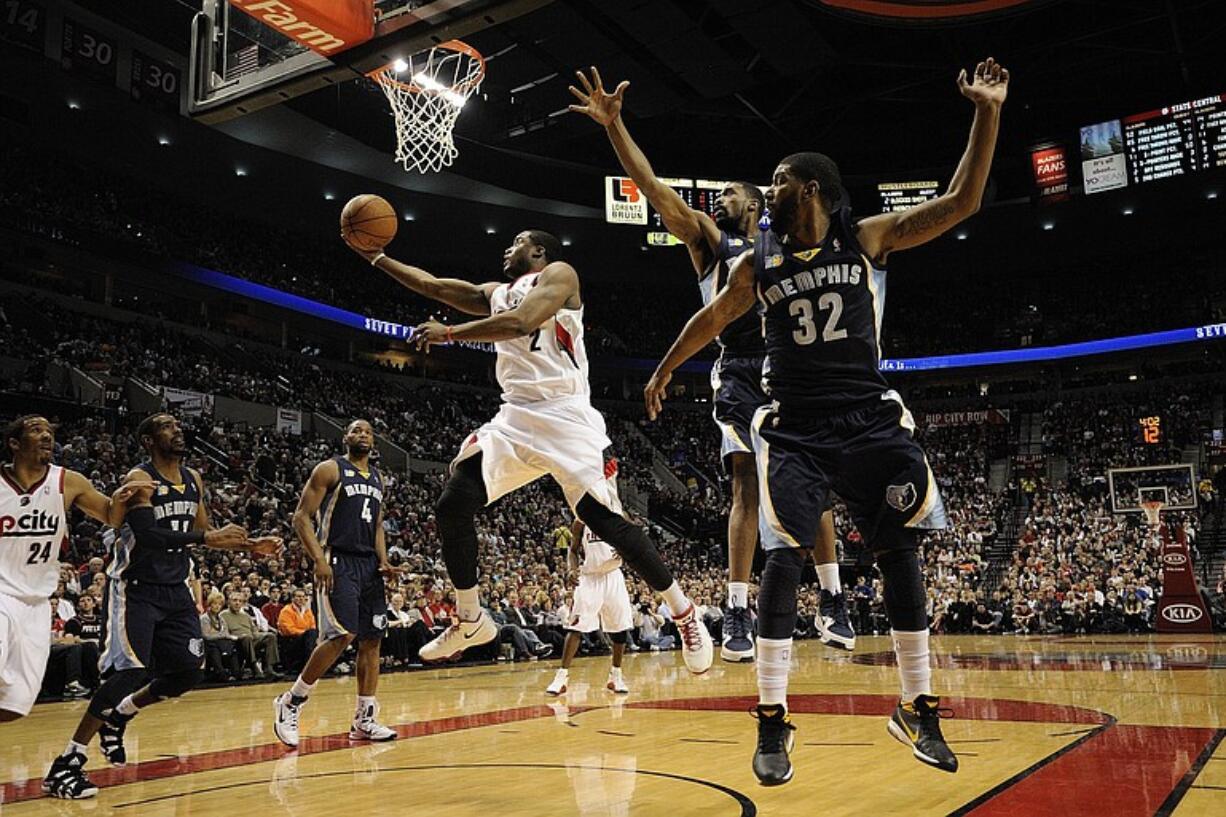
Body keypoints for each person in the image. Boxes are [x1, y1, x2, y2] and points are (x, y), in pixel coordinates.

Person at [642, 58, 1009, 782]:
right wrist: (662, 367)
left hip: (868, 416)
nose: (768, 188)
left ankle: (917, 707)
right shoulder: (758, 263)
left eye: (777, 179)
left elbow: (962, 200)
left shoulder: (867, 237)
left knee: (900, 552)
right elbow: (711, 317)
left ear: (809, 188)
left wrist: (987, 111)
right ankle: (773, 723)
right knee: (783, 555)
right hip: (796, 426)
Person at [570, 68, 853, 660]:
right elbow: (652, 188)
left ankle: (831, 597)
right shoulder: (707, 241)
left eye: (726, 194)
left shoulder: (785, 241)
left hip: (791, 364)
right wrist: (615, 126)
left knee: (815, 484)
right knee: (744, 484)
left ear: (755, 202)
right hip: (739, 366)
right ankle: (736, 609)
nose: (715, 201)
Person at [343, 229, 712, 673]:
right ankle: (470, 619)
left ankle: (683, 611)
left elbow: (522, 322)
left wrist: (451, 333)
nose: (507, 247)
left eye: (517, 241)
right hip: (516, 416)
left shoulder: (559, 274)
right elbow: (434, 285)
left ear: (538, 251)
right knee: (453, 502)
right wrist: (377, 257)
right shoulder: (496, 293)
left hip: (565, 413)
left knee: (605, 522)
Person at [44, 413, 279, 800]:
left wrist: (252, 546)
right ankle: (69, 760)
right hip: (135, 589)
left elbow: (205, 537)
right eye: (167, 426)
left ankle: (122, 713)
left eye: (177, 424)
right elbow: (150, 535)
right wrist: (208, 535)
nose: (178, 430)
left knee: (187, 673)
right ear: (149, 441)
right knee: (128, 672)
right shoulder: (139, 480)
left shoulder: (193, 479)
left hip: (175, 589)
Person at [2, 415, 144, 723]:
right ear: (14, 443)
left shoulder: (68, 481)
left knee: (13, 706)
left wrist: (123, 498)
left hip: (37, 602)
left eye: (49, 431)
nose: (46, 436)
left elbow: (110, 515)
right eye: (35, 430)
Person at [273, 420, 401, 748]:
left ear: (374, 442)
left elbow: (377, 526)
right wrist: (318, 559)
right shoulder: (330, 469)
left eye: (368, 432)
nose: (362, 435)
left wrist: (383, 560)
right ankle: (291, 701)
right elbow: (301, 517)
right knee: (340, 635)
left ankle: (364, 719)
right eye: (356, 431)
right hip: (337, 559)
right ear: (345, 438)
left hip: (368, 566)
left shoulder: (377, 478)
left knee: (371, 641)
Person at [547, 466, 637, 696]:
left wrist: (625, 551)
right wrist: (571, 569)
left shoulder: (617, 514)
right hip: (590, 577)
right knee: (576, 627)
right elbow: (573, 550)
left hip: (613, 576)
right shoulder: (581, 518)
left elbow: (633, 539)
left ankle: (615, 676)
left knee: (619, 630)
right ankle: (561, 677)